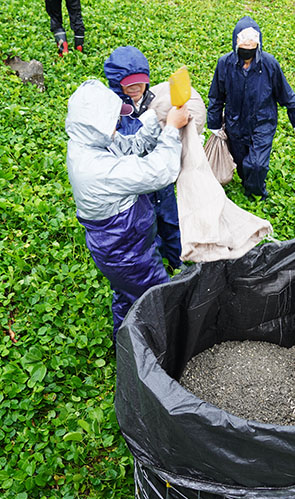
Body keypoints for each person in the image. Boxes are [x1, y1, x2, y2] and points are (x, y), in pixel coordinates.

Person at [65, 79, 190, 337]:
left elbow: (130, 147)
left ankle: (123, 340)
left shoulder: (90, 141)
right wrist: (171, 131)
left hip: (126, 243)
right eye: (113, 122)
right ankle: (157, 350)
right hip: (124, 248)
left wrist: (156, 120)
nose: (118, 126)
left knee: (127, 295)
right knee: (155, 297)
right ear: (95, 124)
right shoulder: (95, 168)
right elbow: (159, 172)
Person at [207, 16, 295, 200]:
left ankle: (256, 193)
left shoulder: (269, 64)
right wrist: (213, 122)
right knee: (241, 161)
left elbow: (285, 93)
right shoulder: (225, 64)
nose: (247, 54)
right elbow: (216, 95)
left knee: (257, 164)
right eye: (243, 49)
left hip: (263, 122)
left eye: (251, 50)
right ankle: (248, 183)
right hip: (235, 123)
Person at [104, 46, 183, 273]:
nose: (137, 88)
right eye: (129, 83)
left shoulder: (154, 101)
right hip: (137, 184)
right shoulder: (113, 112)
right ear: (117, 83)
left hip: (161, 180)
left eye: (141, 81)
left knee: (170, 220)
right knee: (147, 229)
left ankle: (177, 259)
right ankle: (156, 269)